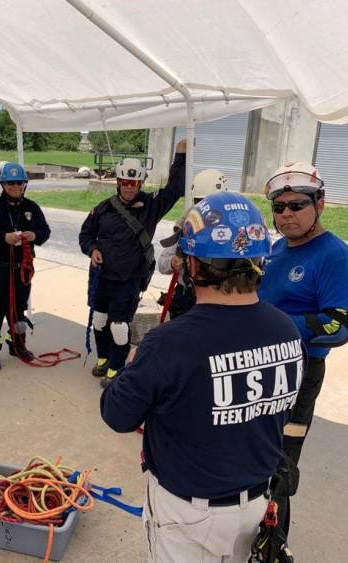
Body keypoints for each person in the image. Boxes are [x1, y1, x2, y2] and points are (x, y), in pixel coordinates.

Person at [101, 192, 302, 563]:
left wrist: (132, 365)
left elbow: (117, 415)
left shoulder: (169, 343)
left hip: (188, 514)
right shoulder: (286, 330)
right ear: (259, 261)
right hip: (255, 504)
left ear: (192, 265)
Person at [258, 162, 348, 529]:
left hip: (300, 373)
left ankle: (274, 545)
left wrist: (270, 326)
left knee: (278, 470)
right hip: (261, 367)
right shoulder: (277, 248)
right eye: (279, 207)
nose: (286, 215)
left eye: (296, 205)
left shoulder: (334, 256)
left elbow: (338, 325)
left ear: (320, 204)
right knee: (250, 455)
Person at [79, 140, 186, 387]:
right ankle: (104, 359)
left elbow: (176, 188)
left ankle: (117, 367)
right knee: (99, 321)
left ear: (140, 183)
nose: (129, 187)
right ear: (118, 182)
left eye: (134, 182)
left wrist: (180, 155)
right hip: (101, 278)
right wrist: (92, 249)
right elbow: (85, 234)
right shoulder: (103, 208)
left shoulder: (151, 205)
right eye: (125, 182)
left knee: (119, 327)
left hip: (127, 282)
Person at [0, 162, 51, 371]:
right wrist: (3, 237)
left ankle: (18, 347)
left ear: (24, 184)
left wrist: (34, 235)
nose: (15, 187)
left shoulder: (32, 208)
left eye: (19, 183)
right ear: (3, 184)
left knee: (18, 313)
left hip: (22, 269)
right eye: (10, 183)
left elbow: (45, 231)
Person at [156, 168, 228, 319]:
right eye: (199, 203)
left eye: (209, 204)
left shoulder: (232, 229)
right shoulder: (188, 224)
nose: (205, 209)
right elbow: (163, 263)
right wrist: (172, 262)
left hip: (219, 300)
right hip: (187, 298)